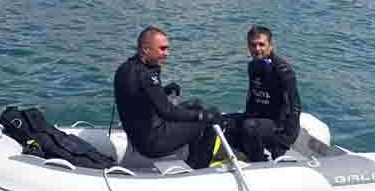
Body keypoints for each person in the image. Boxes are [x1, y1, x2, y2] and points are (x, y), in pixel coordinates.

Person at [114, 26, 222, 169]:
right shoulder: (147, 74)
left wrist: (163, 91)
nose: (167, 53)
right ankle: (200, 167)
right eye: (162, 49)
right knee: (212, 116)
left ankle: (192, 158)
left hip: (139, 137)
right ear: (146, 49)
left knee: (196, 104)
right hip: (153, 141)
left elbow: (139, 98)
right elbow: (168, 112)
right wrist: (203, 115)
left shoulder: (125, 68)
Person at [226, 25, 302, 162]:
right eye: (253, 45)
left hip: (279, 125)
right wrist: (241, 119)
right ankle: (246, 155)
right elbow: (252, 96)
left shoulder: (283, 69)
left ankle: (259, 163)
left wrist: (286, 139)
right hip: (260, 118)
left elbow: (295, 105)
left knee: (249, 127)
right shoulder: (253, 66)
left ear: (270, 46)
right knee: (224, 122)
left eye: (261, 44)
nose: (257, 49)